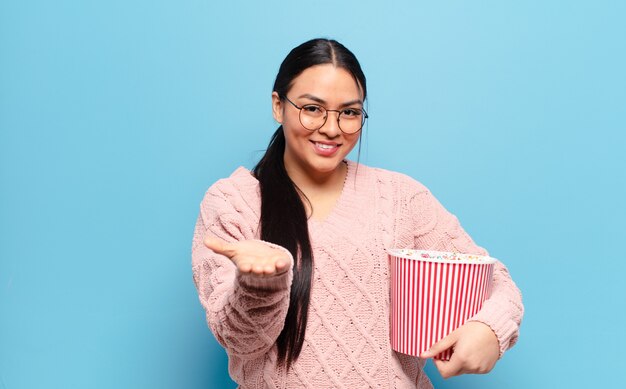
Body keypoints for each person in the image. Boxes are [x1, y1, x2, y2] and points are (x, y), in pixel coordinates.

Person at [191, 38, 523, 388]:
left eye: (349, 112)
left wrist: (491, 327)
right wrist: (260, 283)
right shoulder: (233, 201)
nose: (332, 129)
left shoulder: (401, 197)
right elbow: (240, 341)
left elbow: (495, 280)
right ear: (278, 106)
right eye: (312, 108)